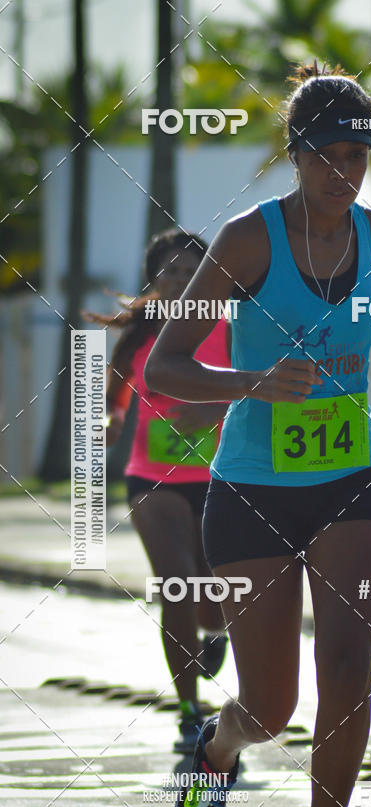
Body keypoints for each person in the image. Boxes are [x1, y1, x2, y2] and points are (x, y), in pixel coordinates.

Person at [145, 63, 371, 807]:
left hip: (351, 481)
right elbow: (166, 367)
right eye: (326, 156)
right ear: (296, 156)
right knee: (270, 709)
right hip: (252, 491)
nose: (342, 172)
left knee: (348, 670)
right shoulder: (248, 241)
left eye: (357, 156)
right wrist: (252, 382)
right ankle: (216, 750)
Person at [85, 229, 232, 754]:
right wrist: (110, 419)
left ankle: (215, 633)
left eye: (192, 271)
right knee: (177, 585)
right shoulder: (140, 338)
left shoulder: (228, 330)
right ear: (155, 278)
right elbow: (116, 396)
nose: (181, 280)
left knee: (214, 594)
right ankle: (190, 710)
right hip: (153, 480)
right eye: (171, 271)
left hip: (220, 480)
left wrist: (215, 408)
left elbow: (259, 391)